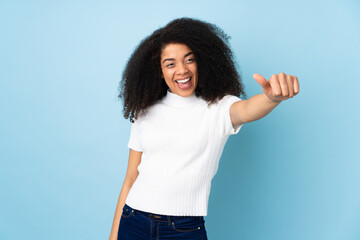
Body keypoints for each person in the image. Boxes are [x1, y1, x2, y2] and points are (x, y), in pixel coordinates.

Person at [109, 17, 299, 240]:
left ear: (200, 61)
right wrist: (114, 236)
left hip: (183, 229)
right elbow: (131, 178)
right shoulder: (144, 111)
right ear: (159, 71)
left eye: (189, 60)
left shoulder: (218, 108)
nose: (182, 70)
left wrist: (272, 98)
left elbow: (246, 110)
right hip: (133, 220)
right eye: (170, 64)